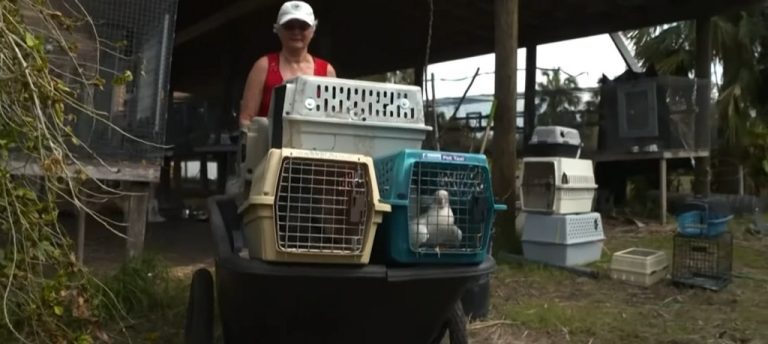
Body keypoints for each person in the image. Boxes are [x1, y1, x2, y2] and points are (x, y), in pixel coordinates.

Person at [238, 0, 336, 128]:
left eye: (303, 26)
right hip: (269, 147)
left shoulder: (327, 71)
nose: (296, 31)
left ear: (313, 30)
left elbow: (333, 121)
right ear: (278, 29)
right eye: (289, 26)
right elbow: (246, 120)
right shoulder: (263, 67)